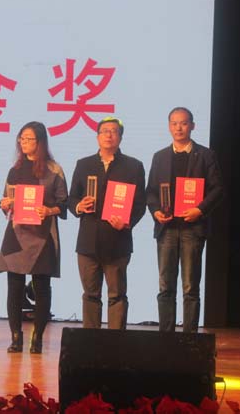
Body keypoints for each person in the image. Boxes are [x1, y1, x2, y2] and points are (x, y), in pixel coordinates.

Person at [145, 107, 223, 333]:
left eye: (184, 123)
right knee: (165, 286)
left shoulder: (206, 155)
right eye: (174, 123)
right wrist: (156, 211)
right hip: (166, 228)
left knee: (190, 287)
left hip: (193, 228)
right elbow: (151, 192)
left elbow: (217, 189)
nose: (179, 128)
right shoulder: (160, 156)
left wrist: (200, 210)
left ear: (192, 126)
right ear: (169, 126)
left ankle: (189, 339)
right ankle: (166, 336)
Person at [68, 117, 146, 329]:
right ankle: (91, 340)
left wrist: (126, 222)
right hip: (88, 241)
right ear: (97, 137)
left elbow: (140, 204)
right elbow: (71, 198)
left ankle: (116, 342)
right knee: (90, 295)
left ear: (120, 137)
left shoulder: (133, 166)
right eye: (104, 131)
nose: (109, 135)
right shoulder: (84, 164)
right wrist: (79, 206)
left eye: (114, 131)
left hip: (118, 240)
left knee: (117, 295)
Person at [0, 122, 67, 354]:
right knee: (14, 287)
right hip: (17, 234)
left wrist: (49, 210)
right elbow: (6, 201)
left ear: (40, 142)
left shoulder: (54, 169)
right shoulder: (15, 170)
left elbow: (64, 203)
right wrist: (6, 204)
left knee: (41, 287)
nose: (24, 143)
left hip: (43, 235)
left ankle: (37, 338)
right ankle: (16, 337)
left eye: (29, 139)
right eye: (22, 139)